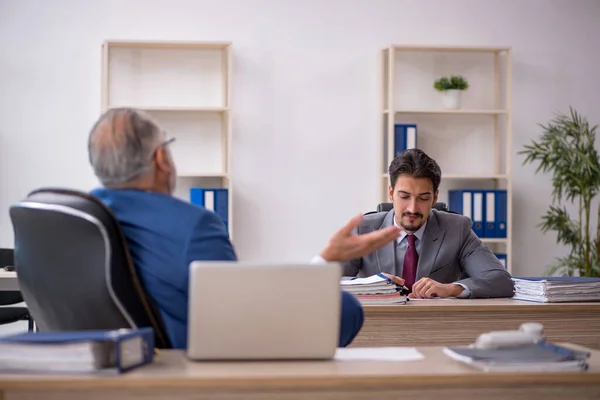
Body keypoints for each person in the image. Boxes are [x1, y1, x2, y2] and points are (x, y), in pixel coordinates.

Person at [87, 107, 401, 349]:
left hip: (113, 374)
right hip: (192, 379)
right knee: (344, 307)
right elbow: (240, 322)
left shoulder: (80, 219)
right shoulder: (192, 226)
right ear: (161, 158)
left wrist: (323, 261)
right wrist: (323, 269)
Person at [342, 148, 514, 299]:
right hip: (379, 326)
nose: (413, 208)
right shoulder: (362, 229)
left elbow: (501, 280)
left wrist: (451, 288)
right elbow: (329, 282)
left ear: (435, 197)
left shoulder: (457, 229)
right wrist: (372, 284)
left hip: (437, 326)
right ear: (391, 193)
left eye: (423, 198)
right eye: (404, 197)